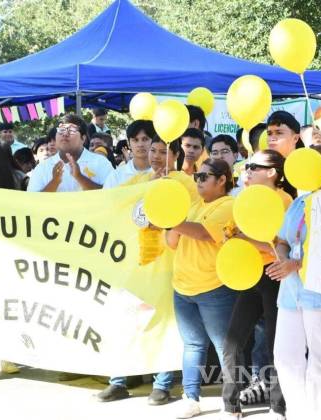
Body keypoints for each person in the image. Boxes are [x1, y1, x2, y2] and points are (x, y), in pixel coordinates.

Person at [97, 137, 194, 406]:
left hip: (169, 264)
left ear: (176, 155)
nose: (156, 156)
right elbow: (113, 202)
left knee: (164, 324)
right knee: (126, 322)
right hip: (135, 266)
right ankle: (118, 381)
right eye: (153, 150)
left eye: (164, 151)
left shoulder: (184, 182)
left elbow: (190, 214)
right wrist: (150, 182)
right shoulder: (138, 181)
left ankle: (161, 384)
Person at [268, 145, 321, 420]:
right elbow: (282, 240)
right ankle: (298, 414)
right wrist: (283, 259)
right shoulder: (299, 202)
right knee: (285, 357)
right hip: (291, 291)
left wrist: (296, 263)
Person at [221, 150, 293, 420]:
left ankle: (278, 406)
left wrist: (243, 239)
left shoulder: (285, 200)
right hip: (249, 273)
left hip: (275, 275)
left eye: (254, 166)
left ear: (272, 172)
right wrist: (232, 237)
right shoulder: (245, 197)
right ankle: (230, 405)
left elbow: (280, 246)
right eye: (247, 166)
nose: (247, 170)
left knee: (275, 344)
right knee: (232, 341)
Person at [165, 158, 237, 419]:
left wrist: (169, 219)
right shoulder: (193, 205)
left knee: (223, 347)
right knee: (192, 345)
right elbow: (171, 242)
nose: (198, 181)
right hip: (183, 287)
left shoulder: (229, 204)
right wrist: (171, 221)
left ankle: (231, 404)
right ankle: (191, 398)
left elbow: (203, 233)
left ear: (222, 180)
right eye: (197, 176)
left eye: (204, 177)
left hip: (213, 287)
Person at [27, 114, 113, 192]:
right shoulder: (43, 167)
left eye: (71, 130)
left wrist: (79, 177)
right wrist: (55, 182)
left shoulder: (100, 162)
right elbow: (33, 201)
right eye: (61, 130)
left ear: (83, 138)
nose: (65, 134)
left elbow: (112, 195)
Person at [103, 120, 153, 189]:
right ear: (129, 144)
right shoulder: (116, 176)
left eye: (145, 139)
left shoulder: (163, 173)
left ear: (153, 141)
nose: (140, 144)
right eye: (135, 140)